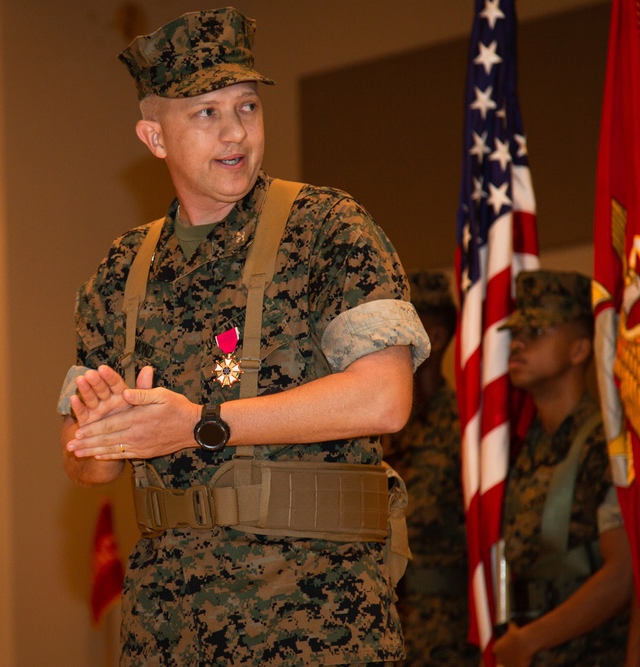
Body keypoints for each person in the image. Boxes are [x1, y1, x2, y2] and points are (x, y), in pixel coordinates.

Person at [57, 8, 430, 666]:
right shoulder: (121, 272)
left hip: (318, 627)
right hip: (167, 632)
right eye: (205, 113)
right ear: (154, 136)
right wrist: (101, 433)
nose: (235, 132)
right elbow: (85, 463)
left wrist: (200, 423)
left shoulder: (328, 228)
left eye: (247, 106)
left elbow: (384, 399)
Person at [492, 269, 633, 667]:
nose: (517, 343)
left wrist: (530, 641)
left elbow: (622, 575)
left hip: (589, 653)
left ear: (579, 349)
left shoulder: (604, 442)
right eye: (516, 333)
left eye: (537, 332)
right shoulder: (529, 441)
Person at [381, 270, 479, 666]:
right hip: (383, 622)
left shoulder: (464, 429)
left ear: (434, 339)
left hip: (441, 632)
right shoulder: (381, 423)